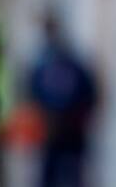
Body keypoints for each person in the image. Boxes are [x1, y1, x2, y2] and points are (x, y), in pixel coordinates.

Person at [29, 12, 98, 187]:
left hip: (72, 138)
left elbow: (91, 94)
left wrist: (76, 120)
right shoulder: (41, 64)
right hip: (51, 139)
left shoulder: (70, 62)